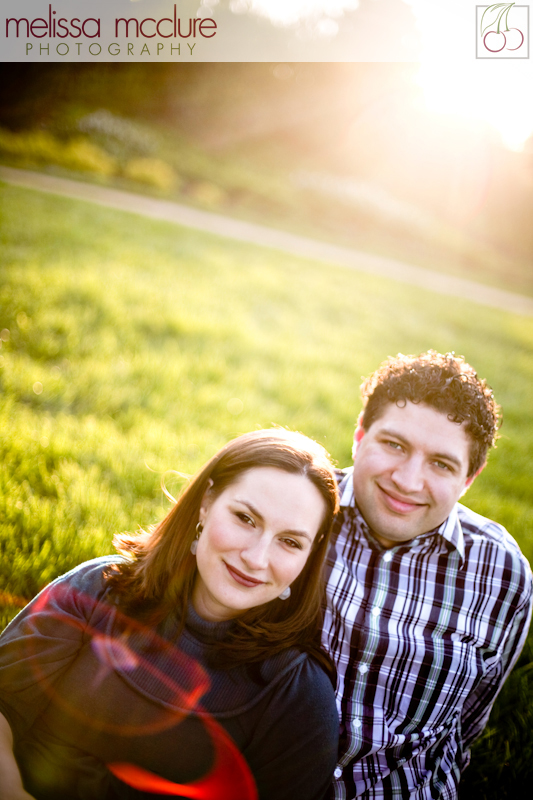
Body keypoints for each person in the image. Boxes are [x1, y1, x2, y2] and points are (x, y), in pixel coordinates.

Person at [0, 428, 340, 800]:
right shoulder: (99, 587)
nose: (256, 558)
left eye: (290, 542)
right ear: (207, 502)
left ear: (309, 557)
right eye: (245, 518)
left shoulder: (298, 697)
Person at [322, 350, 532, 799]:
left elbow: (465, 724)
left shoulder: (502, 574)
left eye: (441, 463)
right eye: (394, 445)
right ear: (359, 436)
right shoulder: (294, 515)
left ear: (469, 478)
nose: (408, 480)